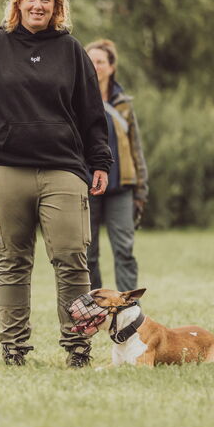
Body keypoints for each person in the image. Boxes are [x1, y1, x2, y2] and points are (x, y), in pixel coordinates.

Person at [0, 0, 112, 368]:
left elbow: (92, 113)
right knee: (12, 260)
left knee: (73, 257)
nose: (38, 6)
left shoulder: (71, 51)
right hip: (5, 169)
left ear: (57, 8)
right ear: (17, 3)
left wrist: (100, 161)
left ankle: (78, 349)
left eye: (47, 0)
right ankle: (14, 349)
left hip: (63, 169)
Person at [85, 39, 148, 292]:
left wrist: (141, 190)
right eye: (90, 61)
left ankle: (129, 307)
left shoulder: (123, 104)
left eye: (100, 61)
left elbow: (136, 149)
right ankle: (94, 306)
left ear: (111, 67)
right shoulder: (73, 98)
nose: (95, 66)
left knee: (124, 250)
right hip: (87, 185)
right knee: (87, 253)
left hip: (121, 186)